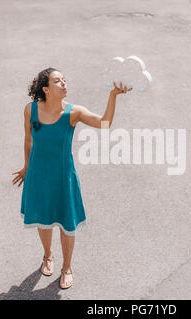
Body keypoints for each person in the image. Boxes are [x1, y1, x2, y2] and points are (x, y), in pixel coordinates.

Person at [12, 67, 132, 289]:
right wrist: (26, 167)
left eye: (65, 80)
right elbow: (28, 139)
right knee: (43, 218)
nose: (64, 83)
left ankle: (66, 267)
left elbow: (104, 123)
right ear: (46, 89)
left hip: (63, 177)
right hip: (38, 176)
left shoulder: (73, 112)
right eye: (58, 81)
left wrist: (113, 96)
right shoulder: (30, 110)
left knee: (67, 224)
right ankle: (48, 256)